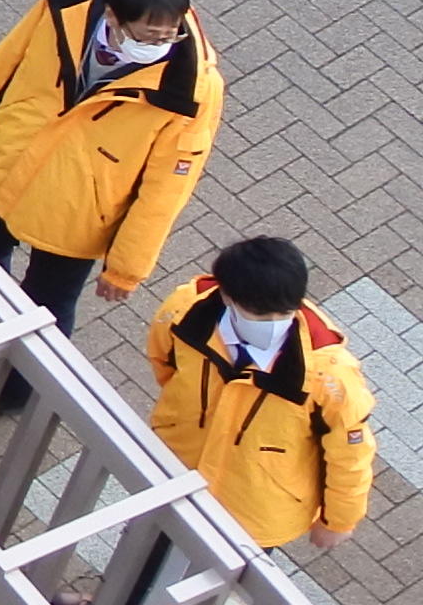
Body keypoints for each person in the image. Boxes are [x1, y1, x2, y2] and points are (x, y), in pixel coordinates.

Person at [0, 0, 215, 394]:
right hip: (13, 164)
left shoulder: (191, 91)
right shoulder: (63, 8)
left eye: (170, 36)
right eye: (149, 36)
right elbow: (9, 58)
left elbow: (168, 187)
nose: (161, 45)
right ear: (112, 14)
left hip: (81, 211)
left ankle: (17, 388)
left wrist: (126, 268)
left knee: (49, 302)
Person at [148, 232, 370, 555]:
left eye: (282, 314)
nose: (273, 323)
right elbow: (164, 361)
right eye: (261, 315)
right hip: (175, 465)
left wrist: (339, 520)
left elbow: (349, 453)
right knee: (140, 551)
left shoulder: (329, 375)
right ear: (227, 296)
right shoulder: (186, 311)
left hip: (251, 510)